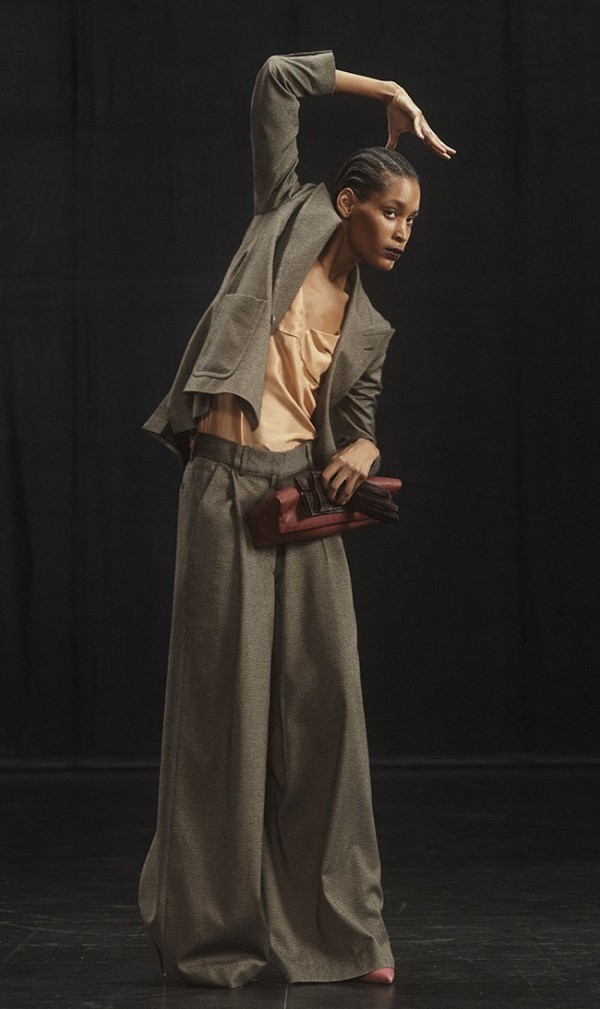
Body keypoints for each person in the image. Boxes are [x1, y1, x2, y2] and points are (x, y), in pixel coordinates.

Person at [138, 49, 455, 989]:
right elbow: (278, 78)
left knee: (329, 712)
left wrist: (362, 452)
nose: (402, 231)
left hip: (299, 504)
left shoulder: (371, 329)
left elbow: (357, 428)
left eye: (411, 220)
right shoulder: (284, 215)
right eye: (391, 211)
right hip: (225, 489)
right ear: (346, 201)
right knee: (225, 718)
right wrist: (388, 92)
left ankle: (346, 932)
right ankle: (213, 936)